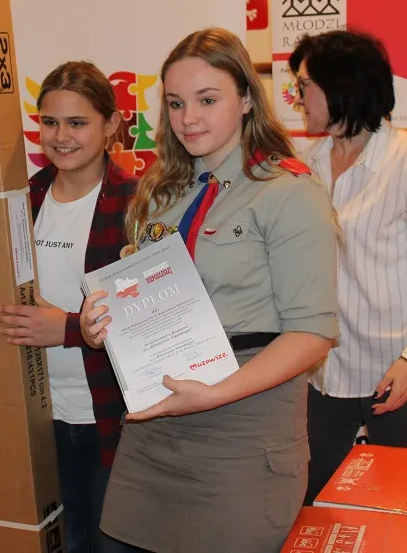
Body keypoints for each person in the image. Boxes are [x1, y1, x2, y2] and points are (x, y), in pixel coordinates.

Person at [79, 28, 340, 553]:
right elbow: (139, 298)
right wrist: (99, 325)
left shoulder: (288, 191)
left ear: (246, 99)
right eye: (176, 103)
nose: (188, 118)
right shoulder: (160, 192)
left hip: (242, 430)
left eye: (207, 100)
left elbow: (312, 334)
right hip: (154, 424)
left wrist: (215, 394)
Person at [0, 62, 136, 553]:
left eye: (77, 123)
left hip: (110, 417)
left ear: (111, 125)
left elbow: (155, 320)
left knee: (112, 545)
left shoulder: (139, 203)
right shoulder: (20, 199)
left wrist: (69, 328)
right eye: (50, 122)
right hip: (34, 415)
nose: (61, 136)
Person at [289, 31, 407, 506]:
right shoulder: (308, 164)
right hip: (326, 368)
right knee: (309, 499)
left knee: (396, 506)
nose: (297, 98)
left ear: (340, 86)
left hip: (398, 369)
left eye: (304, 86)